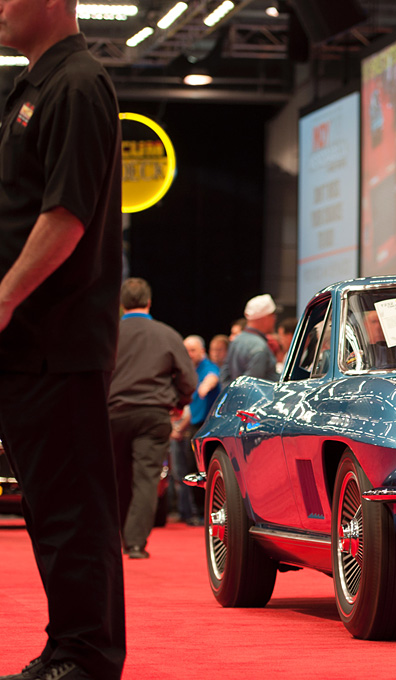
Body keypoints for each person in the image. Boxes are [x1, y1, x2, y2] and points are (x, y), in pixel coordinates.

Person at [0, 1, 127, 677]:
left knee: (73, 512)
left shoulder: (78, 83)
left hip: (58, 338)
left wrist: (3, 297)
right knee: (52, 511)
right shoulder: (34, 86)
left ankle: (86, 655)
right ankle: (68, 647)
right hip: (29, 342)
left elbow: (66, 216)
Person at [108, 279, 197, 560]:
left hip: (113, 414)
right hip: (153, 414)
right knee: (145, 480)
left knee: (115, 478)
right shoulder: (166, 334)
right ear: (149, 302)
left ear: (122, 303)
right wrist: (179, 403)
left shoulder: (109, 332)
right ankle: (134, 543)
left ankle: (113, 537)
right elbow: (189, 380)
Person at [170, 335, 222, 524]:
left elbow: (213, 377)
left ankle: (201, 513)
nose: (189, 354)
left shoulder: (207, 368)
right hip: (190, 426)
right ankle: (189, 512)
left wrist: (206, 387)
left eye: (192, 350)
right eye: (186, 350)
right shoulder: (187, 371)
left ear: (202, 351)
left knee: (198, 470)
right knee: (183, 471)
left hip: (206, 427)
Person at [222, 294, 279, 385]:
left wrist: (232, 396)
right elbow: (252, 385)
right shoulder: (260, 346)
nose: (275, 319)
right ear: (265, 318)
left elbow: (224, 375)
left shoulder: (236, 341)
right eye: (273, 315)